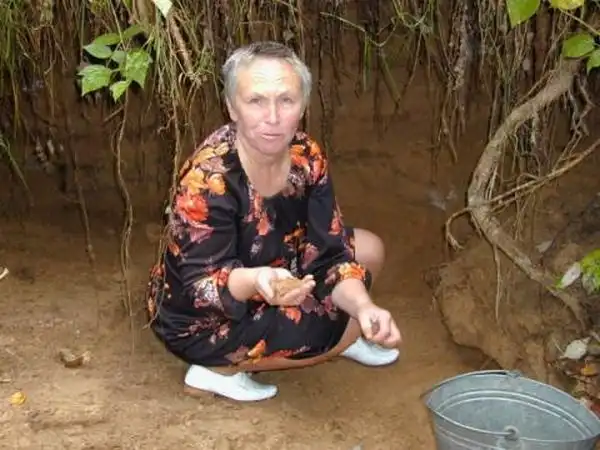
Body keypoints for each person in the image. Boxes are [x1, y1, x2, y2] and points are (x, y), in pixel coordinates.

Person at [145, 41, 402, 402]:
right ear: (231, 107)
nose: (273, 116)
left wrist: (363, 306)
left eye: (286, 100)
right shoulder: (209, 179)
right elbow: (198, 288)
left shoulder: (306, 155)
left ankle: (345, 331)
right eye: (256, 100)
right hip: (199, 317)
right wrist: (258, 280)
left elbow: (330, 252)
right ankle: (216, 370)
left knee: (368, 251)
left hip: (275, 267)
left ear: (303, 105)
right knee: (342, 329)